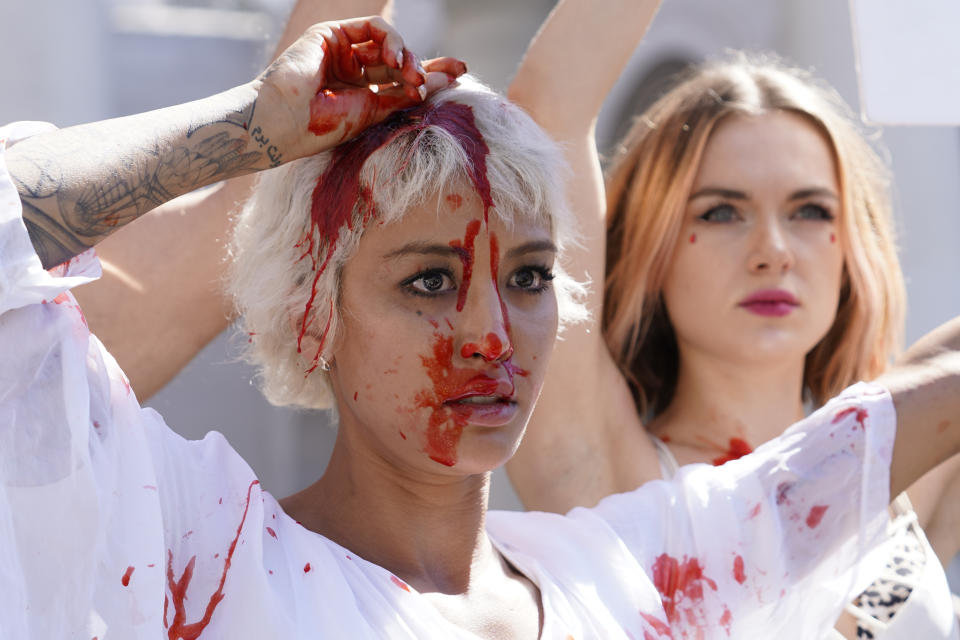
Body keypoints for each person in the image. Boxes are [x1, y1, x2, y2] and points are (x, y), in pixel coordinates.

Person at [6, 12, 960, 640]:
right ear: (309, 312)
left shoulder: (628, 580)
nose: (490, 334)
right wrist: (257, 125)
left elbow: (860, 445)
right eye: (429, 281)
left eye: (530, 276)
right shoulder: (193, 546)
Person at [503, 1, 960, 638]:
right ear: (652, 248)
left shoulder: (901, 459)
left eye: (811, 212)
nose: (773, 249)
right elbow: (546, 109)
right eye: (721, 212)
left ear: (852, 249)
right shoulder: (609, 478)